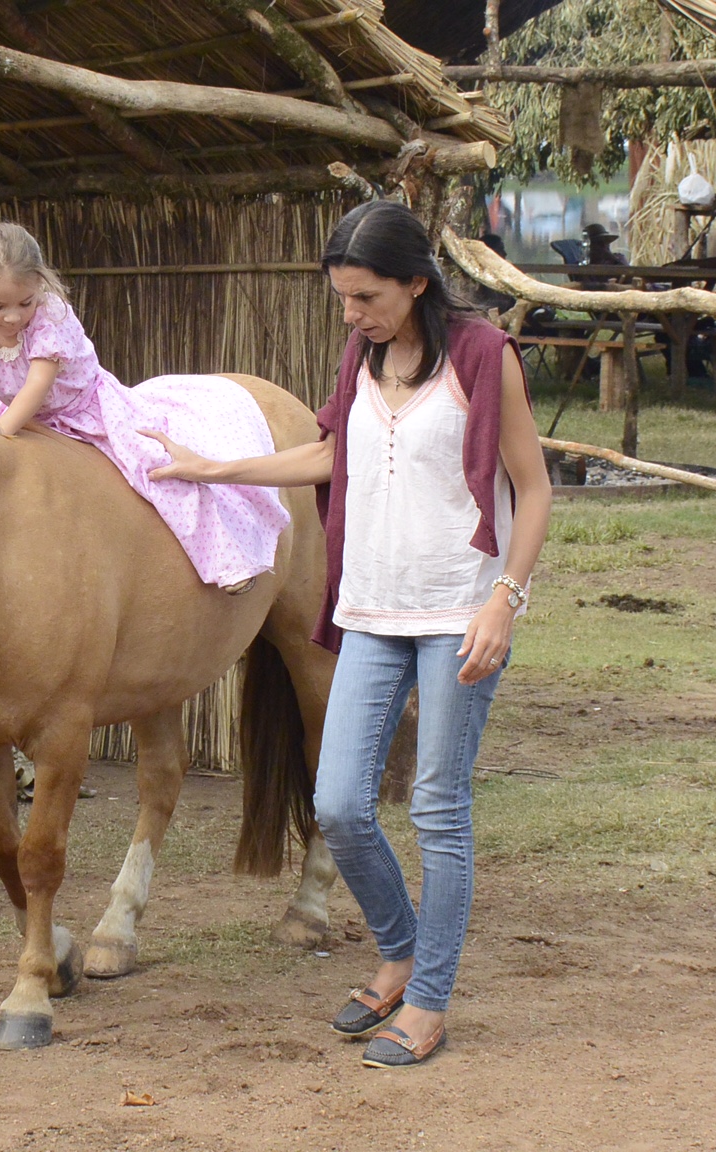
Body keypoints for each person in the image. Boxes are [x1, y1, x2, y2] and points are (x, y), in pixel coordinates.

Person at [143, 200, 552, 1068]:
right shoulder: (362, 356)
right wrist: (211, 469)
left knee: (440, 811)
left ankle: (429, 998)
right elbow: (333, 456)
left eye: (365, 298)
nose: (352, 314)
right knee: (337, 803)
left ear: (416, 282)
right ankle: (401, 950)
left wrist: (504, 600)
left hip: (459, 615)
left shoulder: (482, 356)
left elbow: (535, 488)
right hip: (369, 610)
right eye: (342, 299)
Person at [0, 218, 289, 593]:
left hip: (85, 407)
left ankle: (227, 556)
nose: (13, 316)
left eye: (24, 302)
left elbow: (38, 383)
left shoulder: (50, 316)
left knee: (155, 466)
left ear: (40, 287)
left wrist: (3, 430)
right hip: (20, 418)